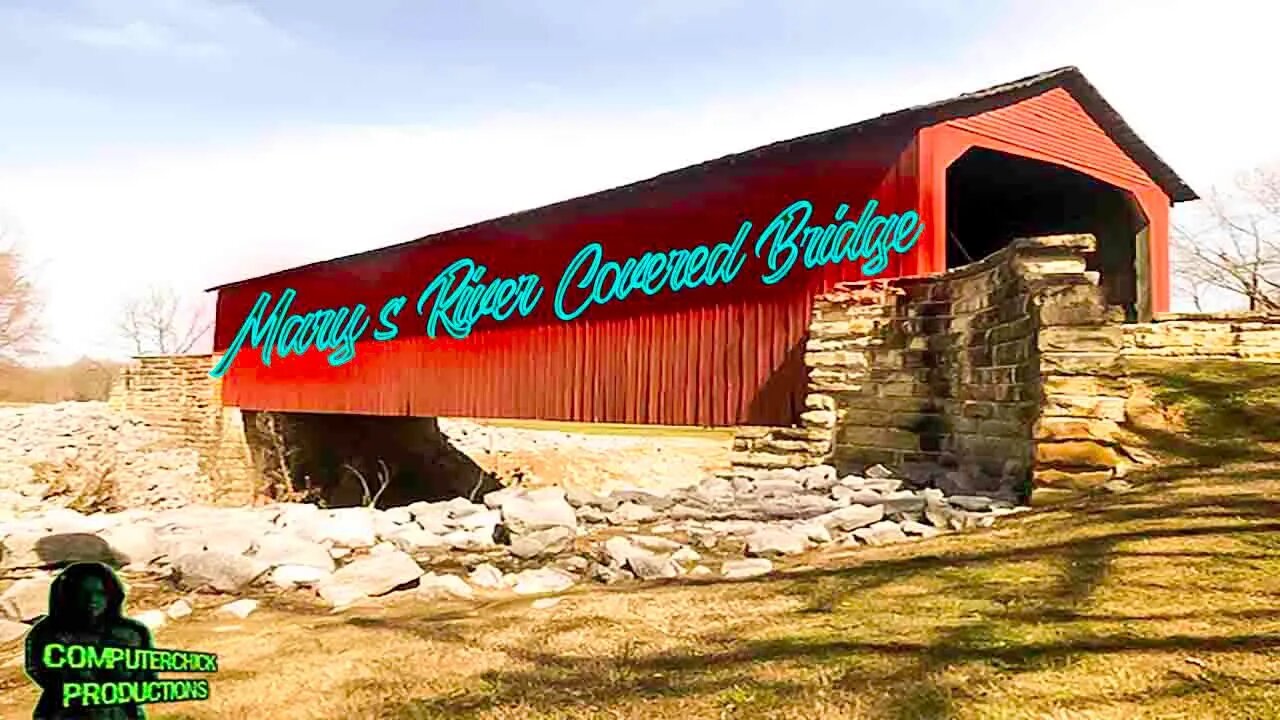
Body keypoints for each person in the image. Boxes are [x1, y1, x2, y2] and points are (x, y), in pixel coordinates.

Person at [23, 562, 157, 719]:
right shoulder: (48, 633)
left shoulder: (133, 633)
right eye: (82, 593)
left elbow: (147, 680)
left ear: (111, 595)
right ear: (69, 595)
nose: (92, 600)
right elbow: (42, 674)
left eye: (100, 593)